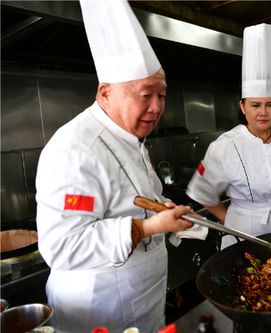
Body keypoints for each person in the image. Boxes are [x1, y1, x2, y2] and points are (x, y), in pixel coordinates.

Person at [35, 1, 196, 332]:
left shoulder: (128, 137)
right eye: (145, 95)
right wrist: (149, 228)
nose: (156, 108)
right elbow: (62, 246)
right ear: (105, 92)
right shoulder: (75, 148)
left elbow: (132, 199)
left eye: (162, 95)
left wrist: (165, 213)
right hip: (101, 310)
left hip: (141, 300)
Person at [187, 23, 271, 249]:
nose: (263, 112)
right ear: (243, 106)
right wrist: (228, 219)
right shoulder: (226, 145)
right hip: (245, 231)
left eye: (270, 104)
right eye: (255, 105)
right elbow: (202, 190)